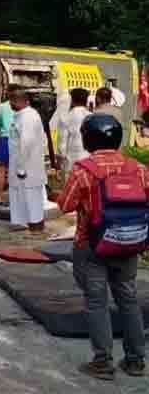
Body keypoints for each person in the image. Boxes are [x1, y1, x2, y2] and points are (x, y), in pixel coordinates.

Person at [57, 114, 146, 380]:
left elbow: (65, 205)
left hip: (91, 246)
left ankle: (103, 361)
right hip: (130, 243)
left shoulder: (84, 169)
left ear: (88, 138)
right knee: (128, 300)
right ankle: (135, 360)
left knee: (97, 302)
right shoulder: (138, 168)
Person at [7, 89, 47, 233]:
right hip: (21, 164)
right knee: (21, 195)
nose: (10, 104)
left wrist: (21, 167)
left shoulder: (28, 117)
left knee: (31, 197)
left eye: (11, 101)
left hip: (27, 166)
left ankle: (35, 226)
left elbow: (26, 142)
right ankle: (22, 223)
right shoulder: (20, 116)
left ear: (16, 102)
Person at [0, 85, 19, 205]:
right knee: (17, 169)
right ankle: (16, 197)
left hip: (4, 139)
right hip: (19, 140)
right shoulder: (24, 107)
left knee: (1, 169)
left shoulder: (2, 107)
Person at [57, 88, 91, 173]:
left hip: (71, 162)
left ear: (72, 100)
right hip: (89, 162)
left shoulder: (65, 117)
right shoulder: (92, 117)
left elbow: (62, 143)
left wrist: (61, 160)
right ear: (86, 100)